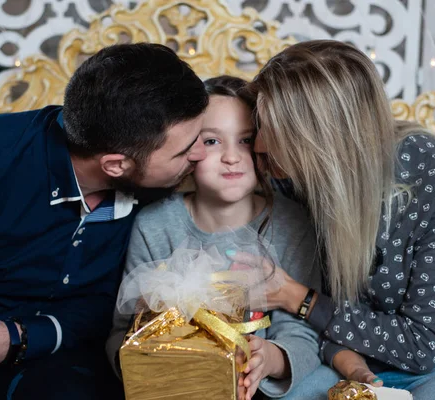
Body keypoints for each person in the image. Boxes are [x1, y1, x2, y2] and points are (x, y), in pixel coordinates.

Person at [0, 43, 208, 399]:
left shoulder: (166, 185)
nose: (201, 154)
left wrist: (14, 337)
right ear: (115, 164)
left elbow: (110, 305)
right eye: (185, 149)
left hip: (74, 358)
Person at [231, 40, 435, 399]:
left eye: (273, 128)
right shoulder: (287, 175)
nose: (259, 144)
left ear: (319, 135)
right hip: (333, 358)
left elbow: (422, 347)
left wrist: (298, 298)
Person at [106, 76, 326, 400]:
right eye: (211, 142)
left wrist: (271, 359)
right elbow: (123, 330)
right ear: (186, 150)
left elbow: (302, 333)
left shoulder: (292, 224)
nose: (231, 156)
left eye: (246, 140)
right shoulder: (155, 226)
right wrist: (147, 366)